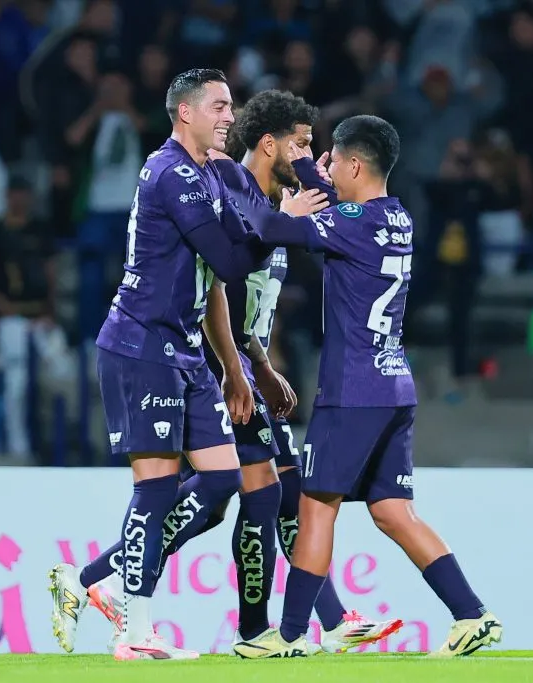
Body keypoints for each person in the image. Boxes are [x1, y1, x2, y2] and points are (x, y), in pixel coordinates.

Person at [68, 90, 400, 654]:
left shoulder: (273, 201)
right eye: (300, 142)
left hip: (238, 366)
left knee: (262, 492)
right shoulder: (234, 190)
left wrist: (261, 364)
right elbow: (219, 286)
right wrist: (242, 369)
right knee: (268, 493)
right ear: (269, 144)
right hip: (216, 364)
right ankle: (269, 627)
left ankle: (108, 581)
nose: (309, 154)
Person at [45, 69, 324, 661]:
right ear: (185, 114)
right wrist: (288, 224)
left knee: (222, 480)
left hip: (188, 350)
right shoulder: (171, 172)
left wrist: (230, 363)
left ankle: (94, 580)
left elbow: (229, 263)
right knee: (158, 489)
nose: (230, 116)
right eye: (220, 106)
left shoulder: (210, 174)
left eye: (230, 106)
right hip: (142, 343)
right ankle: (134, 629)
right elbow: (228, 259)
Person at [231, 115, 501, 658]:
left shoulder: (349, 221)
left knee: (315, 508)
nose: (325, 166)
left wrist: (284, 206)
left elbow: (271, 229)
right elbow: (336, 200)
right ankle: (473, 615)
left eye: (333, 157)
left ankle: (285, 638)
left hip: (351, 389)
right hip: (394, 384)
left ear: (354, 164)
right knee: (393, 511)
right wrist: (306, 160)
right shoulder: (395, 216)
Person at [0, 177, 71, 460]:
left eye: (23, 193)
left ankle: (64, 445)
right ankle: (18, 449)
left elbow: (51, 270)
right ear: (6, 196)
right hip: (11, 318)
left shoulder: (40, 229)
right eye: (14, 193)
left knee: (63, 372)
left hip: (41, 314)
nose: (19, 199)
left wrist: (52, 310)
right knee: (16, 382)